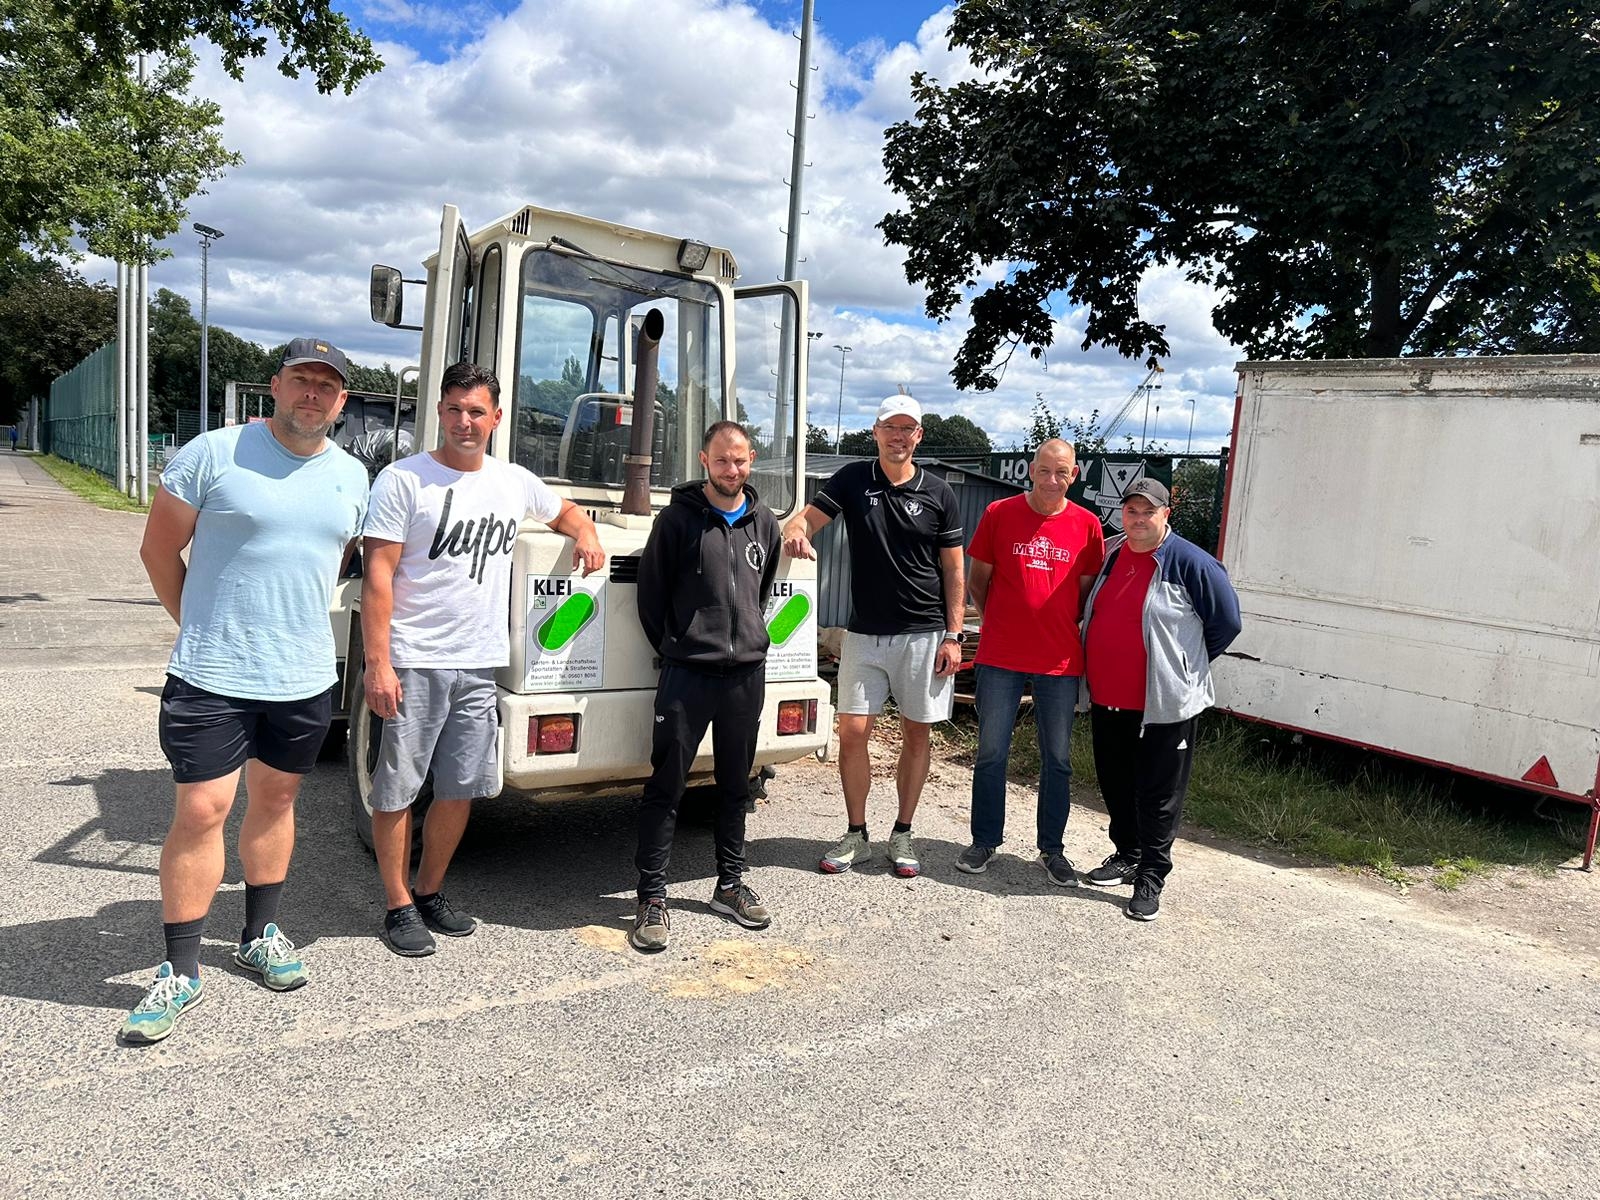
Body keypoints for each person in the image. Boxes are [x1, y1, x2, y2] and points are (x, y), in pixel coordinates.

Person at [123, 337, 370, 1044]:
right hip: (212, 674)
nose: (313, 394)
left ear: (341, 401)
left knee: (278, 800)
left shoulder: (353, 476)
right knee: (203, 810)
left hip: (303, 676)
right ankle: (180, 970)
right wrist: (199, 624)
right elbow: (157, 549)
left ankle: (259, 933)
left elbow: (334, 560)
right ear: (276, 384)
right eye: (302, 380)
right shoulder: (213, 453)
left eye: (327, 386)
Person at [360, 361, 604, 957]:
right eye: (454, 409)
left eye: (476, 412)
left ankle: (429, 891)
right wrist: (378, 663)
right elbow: (378, 576)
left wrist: (587, 533)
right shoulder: (403, 481)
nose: (464, 422)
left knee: (459, 788)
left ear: (496, 418)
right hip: (415, 660)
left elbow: (565, 511)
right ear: (439, 412)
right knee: (397, 788)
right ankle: (397, 905)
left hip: (479, 664)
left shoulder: (512, 481)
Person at [783, 395, 965, 878]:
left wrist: (954, 635)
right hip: (863, 633)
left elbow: (954, 569)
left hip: (924, 634)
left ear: (918, 436)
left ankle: (902, 832)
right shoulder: (852, 479)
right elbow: (807, 519)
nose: (898, 437)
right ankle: (856, 834)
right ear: (876, 432)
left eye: (907, 429)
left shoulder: (939, 492)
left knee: (916, 732)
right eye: (890, 427)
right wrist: (797, 531)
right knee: (853, 732)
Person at [629, 421, 781, 951]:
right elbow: (650, 597)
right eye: (721, 460)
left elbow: (760, 593)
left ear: (751, 459)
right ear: (703, 461)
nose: (731, 470)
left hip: (745, 677)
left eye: (739, 460)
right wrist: (682, 644)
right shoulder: (676, 521)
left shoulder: (765, 523)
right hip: (687, 674)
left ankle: (730, 885)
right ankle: (652, 898)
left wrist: (745, 640)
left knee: (736, 786)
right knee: (667, 786)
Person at [1079, 478, 1241, 921]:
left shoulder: (1191, 562)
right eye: (1131, 510)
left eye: (1148, 511)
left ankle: (1151, 875)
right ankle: (1127, 854)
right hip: (1109, 696)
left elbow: (1226, 623)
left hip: (1164, 704)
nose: (1138, 519)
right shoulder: (1110, 553)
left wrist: (1184, 666)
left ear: (1166, 514)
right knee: (1115, 782)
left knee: (1159, 793)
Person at [958, 439, 1104, 883]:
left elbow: (1083, 594)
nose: (1052, 480)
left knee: (1057, 758)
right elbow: (978, 582)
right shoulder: (999, 514)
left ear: (1074, 475)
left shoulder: (1087, 525)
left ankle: (1052, 850)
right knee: (991, 753)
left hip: (1059, 660)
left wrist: (1050, 624)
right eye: (1044, 470)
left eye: (1061, 472)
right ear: (1030, 470)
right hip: (1001, 655)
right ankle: (985, 841)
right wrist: (1002, 622)